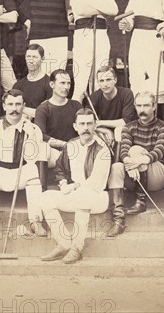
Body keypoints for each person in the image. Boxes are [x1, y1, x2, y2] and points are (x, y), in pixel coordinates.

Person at [40, 108, 111, 264]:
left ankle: (76, 248)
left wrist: (74, 186)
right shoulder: (71, 145)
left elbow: (96, 183)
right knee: (45, 197)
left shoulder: (102, 150)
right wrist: (64, 183)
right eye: (82, 124)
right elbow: (59, 168)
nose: (85, 128)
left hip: (96, 198)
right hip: (75, 195)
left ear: (95, 125)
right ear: (75, 126)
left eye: (89, 124)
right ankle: (64, 243)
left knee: (84, 196)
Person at [0, 89, 48, 237]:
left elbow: (32, 158)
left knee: (32, 170)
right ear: (4, 106)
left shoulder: (33, 128)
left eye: (18, 104)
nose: (14, 109)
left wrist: (30, 135)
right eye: (10, 104)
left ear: (24, 105)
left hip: (19, 173)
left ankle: (36, 221)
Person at [106, 91, 164, 237]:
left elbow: (158, 153)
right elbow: (123, 152)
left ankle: (141, 201)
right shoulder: (129, 127)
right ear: (135, 106)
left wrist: (135, 160)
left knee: (136, 151)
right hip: (135, 174)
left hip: (158, 175)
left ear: (154, 107)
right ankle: (118, 220)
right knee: (116, 167)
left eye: (146, 105)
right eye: (139, 105)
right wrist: (130, 162)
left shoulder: (163, 127)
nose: (142, 109)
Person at [69, 0, 118, 101]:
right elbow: (81, 10)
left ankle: (99, 118)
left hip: (102, 35)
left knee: (101, 78)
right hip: (83, 35)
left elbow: (114, 10)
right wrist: (102, 8)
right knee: (81, 80)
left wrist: (90, 3)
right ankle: (76, 115)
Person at [118, 0, 164, 92]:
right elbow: (130, 16)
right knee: (136, 77)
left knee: (156, 77)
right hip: (137, 38)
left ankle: (156, 113)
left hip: (154, 38)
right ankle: (137, 112)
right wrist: (126, 24)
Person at [34, 69, 82, 166]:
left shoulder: (76, 105)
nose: (66, 87)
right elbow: (40, 135)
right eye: (62, 83)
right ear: (52, 85)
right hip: (53, 153)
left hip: (76, 151)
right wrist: (65, 145)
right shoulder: (43, 109)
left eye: (68, 83)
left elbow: (85, 126)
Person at [86, 66, 137, 144]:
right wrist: (107, 131)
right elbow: (90, 123)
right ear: (98, 83)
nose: (105, 84)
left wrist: (100, 122)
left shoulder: (126, 93)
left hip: (126, 132)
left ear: (115, 80)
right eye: (102, 81)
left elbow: (126, 121)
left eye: (108, 79)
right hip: (105, 132)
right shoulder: (94, 97)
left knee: (118, 130)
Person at [12, 44, 52, 119]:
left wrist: (22, 109)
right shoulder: (18, 85)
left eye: (34, 57)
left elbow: (48, 113)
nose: (31, 61)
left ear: (42, 59)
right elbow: (12, 110)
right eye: (28, 57)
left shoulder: (50, 84)